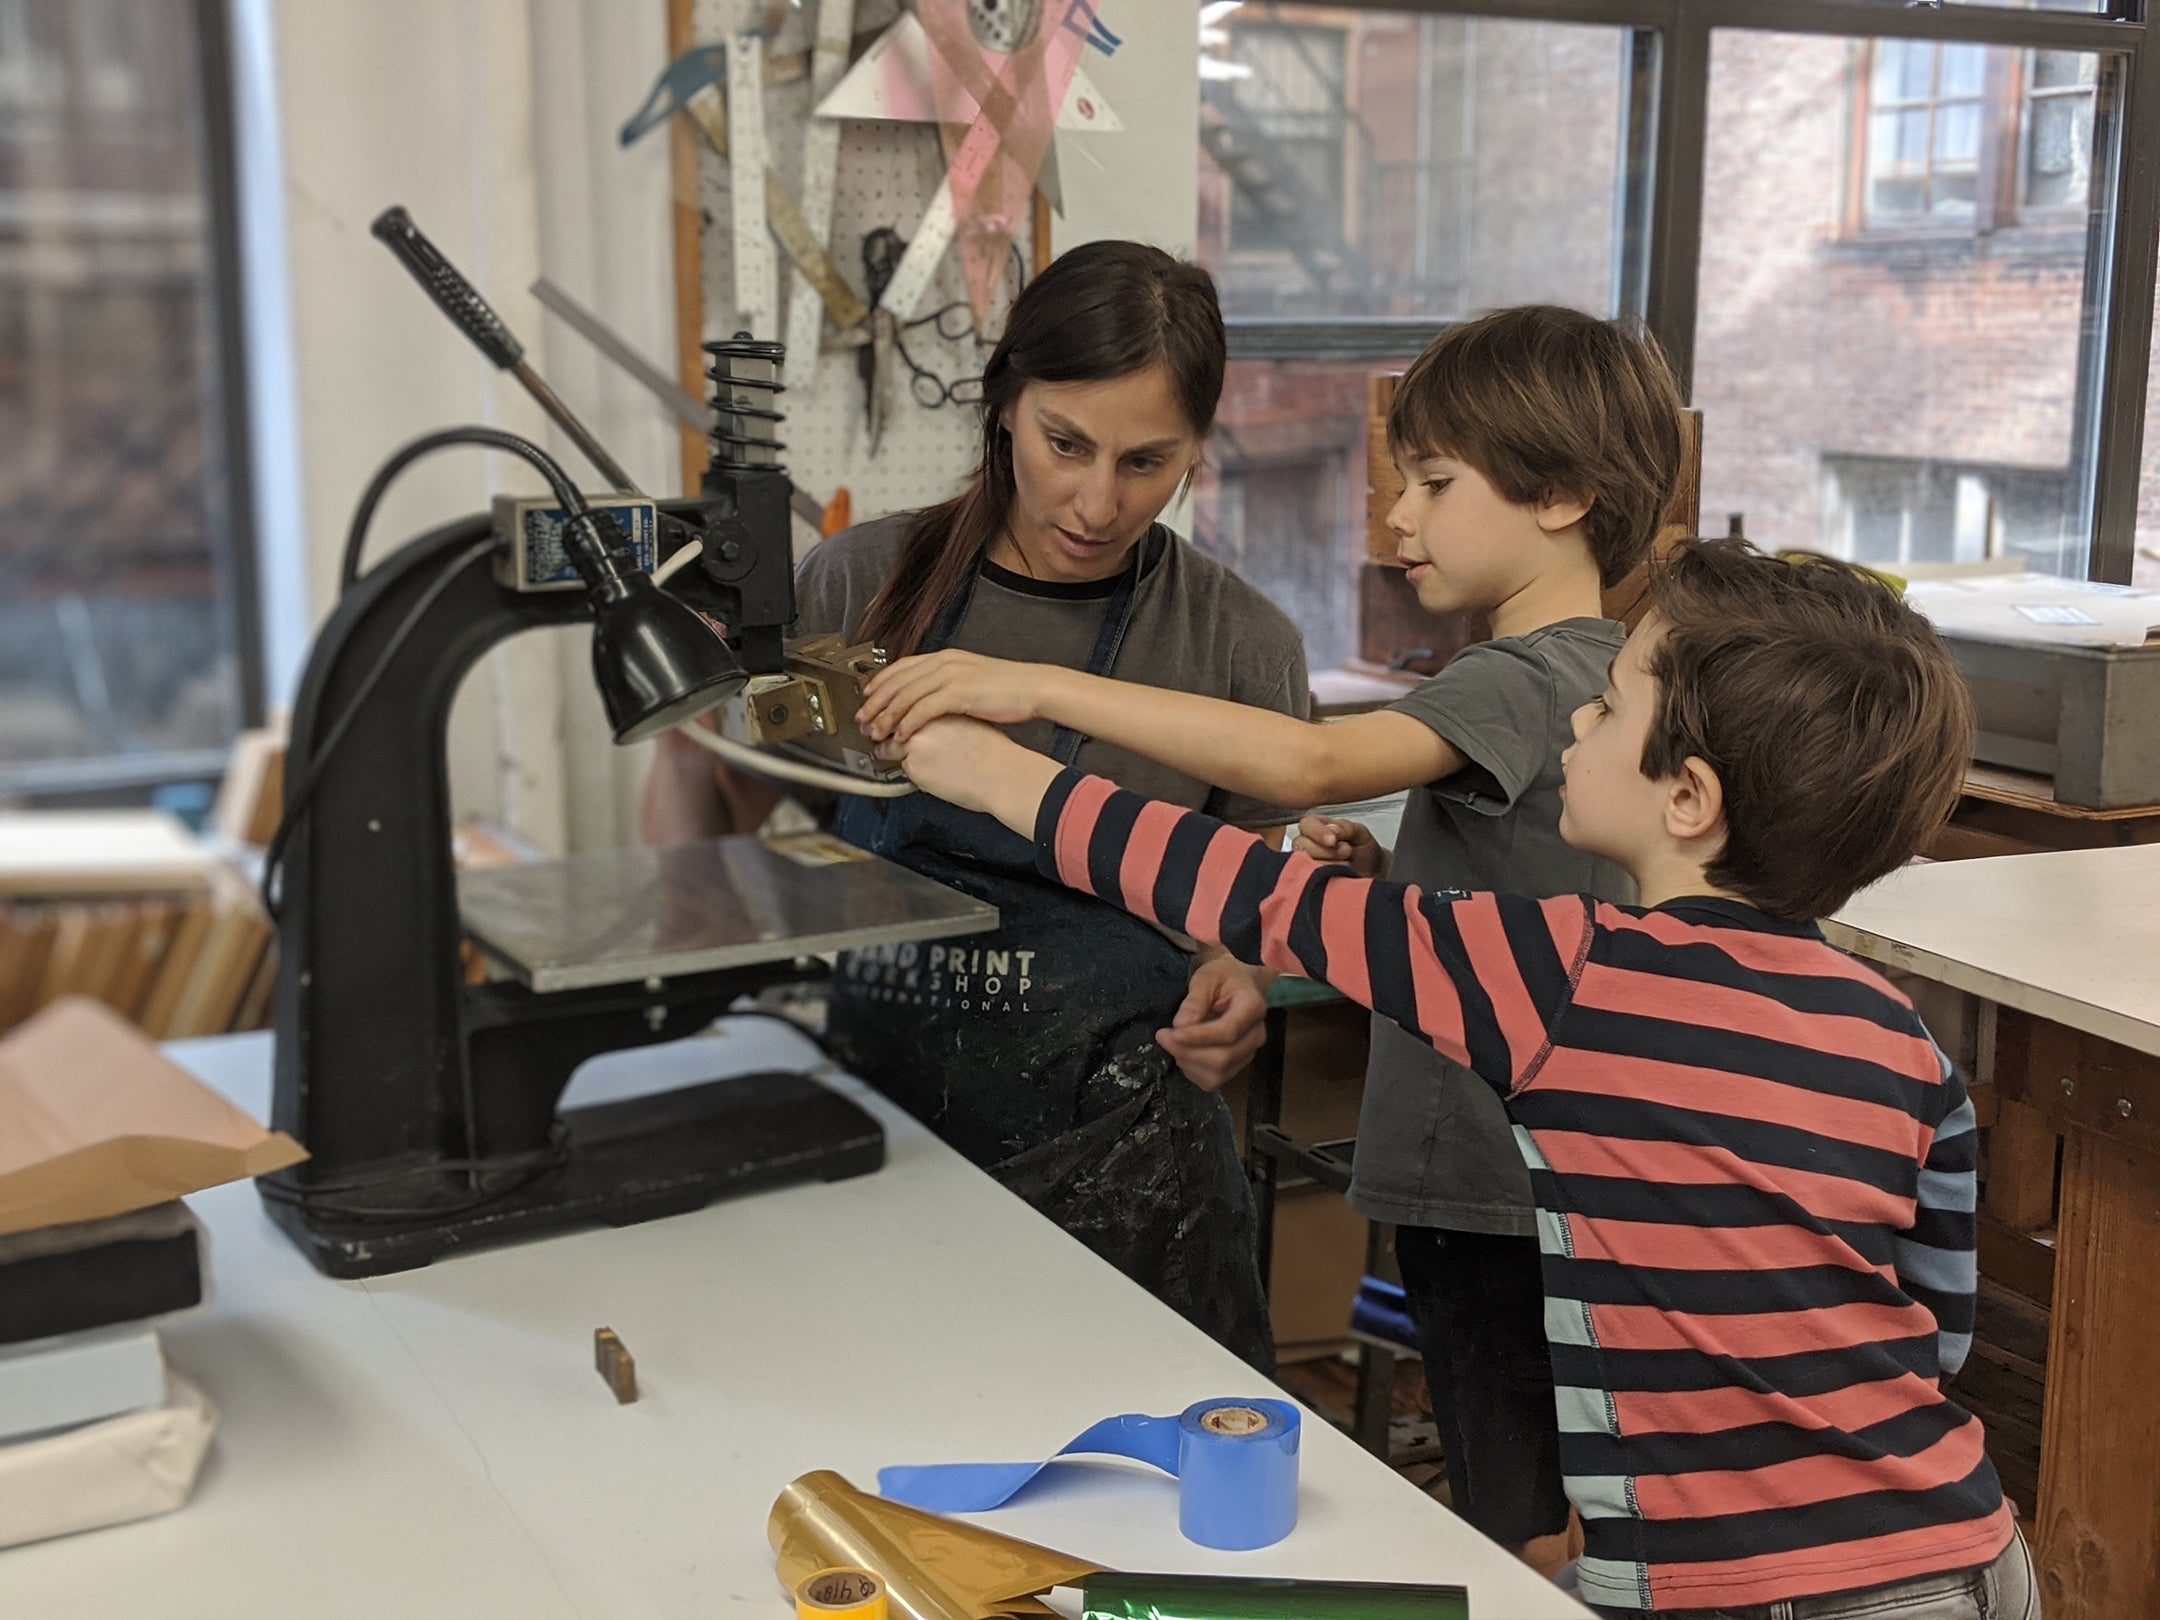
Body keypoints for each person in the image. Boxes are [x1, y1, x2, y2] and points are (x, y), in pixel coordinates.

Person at [891, 537, 2034, 1619]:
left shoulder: (1566, 972)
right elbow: (1933, 1334)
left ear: (1688, 798)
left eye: (1611, 702)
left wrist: (1003, 776)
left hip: (1751, 1591)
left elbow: (1251, 895)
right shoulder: (1901, 1035)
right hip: (1966, 1550)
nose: (1579, 718)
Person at [856, 304, 1687, 1562]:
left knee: (1517, 1526)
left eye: (1434, 483)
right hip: (1509, 1185)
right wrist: (1396, 868)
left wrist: (1021, 692)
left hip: (1495, 1194)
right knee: (1537, 1497)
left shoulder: (1529, 670)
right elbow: (1532, 904)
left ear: (1562, 494)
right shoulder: (1576, 674)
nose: (1397, 517)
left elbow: (1306, 761)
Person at [646, 240, 1308, 1370]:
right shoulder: (859, 585)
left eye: (1148, 462)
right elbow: (702, 862)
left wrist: (1240, 982)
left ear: (1198, 449)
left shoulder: (1236, 643)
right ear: (1005, 402)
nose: (1097, 502)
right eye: (1066, 445)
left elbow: (1256, 896)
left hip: (1126, 1171)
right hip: (879, 1136)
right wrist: (685, 704)